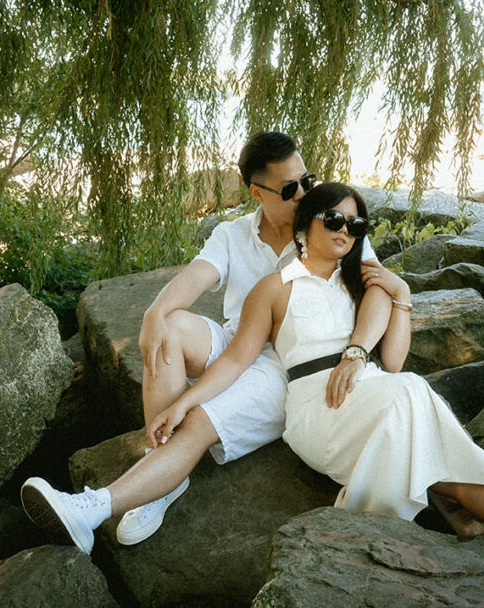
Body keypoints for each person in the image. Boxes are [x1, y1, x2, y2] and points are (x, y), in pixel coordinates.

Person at [148, 182, 484, 572]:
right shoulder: (272, 289)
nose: (345, 230)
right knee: (414, 397)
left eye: (355, 223)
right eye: (333, 219)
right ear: (304, 225)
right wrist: (185, 403)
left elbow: (394, 360)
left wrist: (400, 293)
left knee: (452, 460)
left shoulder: (366, 282)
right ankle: (390, 516)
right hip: (319, 405)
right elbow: (234, 361)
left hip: (377, 389)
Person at [20, 133, 399, 553]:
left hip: (285, 365)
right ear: (257, 192)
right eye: (290, 189)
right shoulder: (234, 233)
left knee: (198, 421)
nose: (304, 194)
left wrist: (356, 352)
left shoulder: (330, 227)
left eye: (307, 181)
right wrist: (154, 316)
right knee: (170, 329)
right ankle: (162, 472)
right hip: (237, 346)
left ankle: (91, 508)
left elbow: (378, 288)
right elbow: (193, 280)